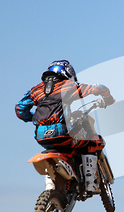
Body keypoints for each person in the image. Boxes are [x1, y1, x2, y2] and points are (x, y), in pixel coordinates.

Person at [15, 60, 115, 193]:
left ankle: (51, 185)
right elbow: (97, 88)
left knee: (56, 147)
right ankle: (90, 183)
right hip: (62, 134)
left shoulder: (35, 90)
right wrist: (108, 98)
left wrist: (33, 118)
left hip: (41, 136)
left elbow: (20, 109)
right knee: (91, 141)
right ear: (67, 73)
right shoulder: (68, 87)